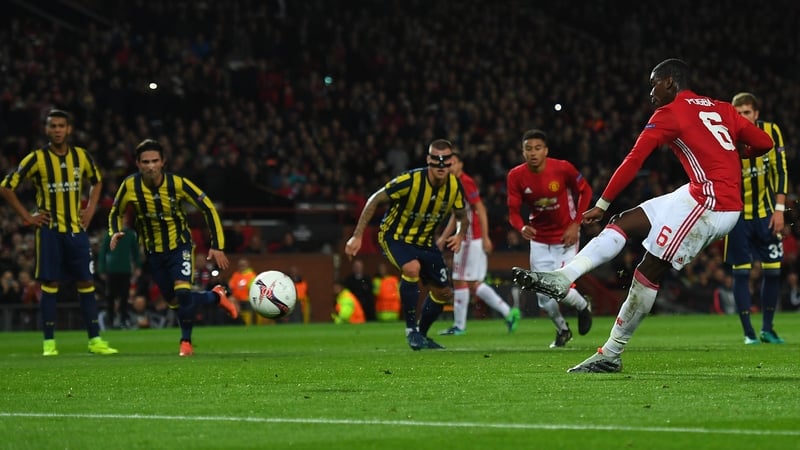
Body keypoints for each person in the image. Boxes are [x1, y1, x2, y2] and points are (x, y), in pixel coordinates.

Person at [512, 58, 774, 372]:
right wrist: (736, 154)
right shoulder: (722, 108)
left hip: (711, 202)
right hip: (696, 192)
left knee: (649, 270)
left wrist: (603, 201)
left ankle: (611, 353)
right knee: (624, 222)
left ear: (670, 83)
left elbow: (634, 160)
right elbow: (764, 142)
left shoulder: (670, 113)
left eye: (654, 83)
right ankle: (563, 277)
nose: (651, 91)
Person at [0, 109, 118, 356]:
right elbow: (6, 187)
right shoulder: (36, 159)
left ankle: (95, 340)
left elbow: (97, 180)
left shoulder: (81, 156)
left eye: (61, 125)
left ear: (69, 129)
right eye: (52, 125)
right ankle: (49, 343)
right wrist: (27, 217)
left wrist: (90, 208)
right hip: (50, 231)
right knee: (50, 283)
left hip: (76, 230)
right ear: (46, 129)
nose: (57, 130)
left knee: (86, 281)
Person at [107, 139, 238, 356]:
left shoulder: (177, 183)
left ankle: (185, 342)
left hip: (180, 246)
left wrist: (217, 245)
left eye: (155, 161)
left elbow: (208, 207)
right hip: (153, 252)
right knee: (174, 301)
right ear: (138, 164)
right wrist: (114, 231)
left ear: (163, 162)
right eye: (146, 162)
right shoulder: (130, 185)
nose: (151, 166)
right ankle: (215, 296)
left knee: (183, 293)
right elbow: (115, 211)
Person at [345, 138, 468, 350]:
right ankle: (411, 330)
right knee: (412, 267)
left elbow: (461, 215)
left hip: (425, 242)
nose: (440, 164)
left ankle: (421, 335)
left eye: (445, 160)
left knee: (444, 293)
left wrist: (459, 234)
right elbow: (375, 199)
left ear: (451, 162)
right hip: (395, 236)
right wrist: (357, 235)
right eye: (436, 160)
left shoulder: (455, 186)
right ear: (427, 159)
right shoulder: (410, 181)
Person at [506, 129, 593, 347]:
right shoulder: (516, 176)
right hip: (539, 240)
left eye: (537, 148)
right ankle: (562, 330)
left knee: (560, 288)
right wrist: (521, 226)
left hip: (566, 237)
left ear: (546, 150)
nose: (533, 153)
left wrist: (576, 224)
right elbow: (513, 212)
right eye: (528, 149)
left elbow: (586, 191)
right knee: (543, 297)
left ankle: (583, 307)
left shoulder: (563, 168)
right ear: (523, 152)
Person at [724, 92, 789, 344]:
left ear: (756, 113)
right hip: (737, 216)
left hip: (767, 214)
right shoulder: (726, 136)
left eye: (747, 112)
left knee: (773, 272)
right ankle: (749, 334)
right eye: (738, 113)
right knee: (741, 273)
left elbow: (781, 170)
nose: (742, 117)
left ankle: (767, 329)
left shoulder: (772, 131)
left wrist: (780, 210)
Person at [438, 151, 521, 336]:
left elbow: (481, 209)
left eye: (452, 163)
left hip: (469, 239)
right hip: (468, 238)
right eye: (447, 164)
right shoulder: (453, 184)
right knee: (474, 284)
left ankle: (459, 326)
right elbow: (456, 214)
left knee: (459, 279)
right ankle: (509, 313)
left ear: (460, 164)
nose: (449, 167)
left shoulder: (464, 182)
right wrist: (444, 237)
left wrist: (485, 237)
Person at [97, 216, 141, 329]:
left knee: (124, 296)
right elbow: (103, 252)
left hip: (125, 269)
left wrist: (138, 266)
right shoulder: (110, 234)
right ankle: (110, 320)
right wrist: (102, 269)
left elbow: (136, 252)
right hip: (112, 269)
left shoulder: (130, 234)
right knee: (110, 296)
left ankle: (123, 319)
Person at [229, 258, 257, 325]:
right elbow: (231, 287)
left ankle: (245, 323)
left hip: (247, 299)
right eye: (240, 265)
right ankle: (236, 321)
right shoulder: (235, 275)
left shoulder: (252, 275)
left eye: (243, 265)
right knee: (230, 301)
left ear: (248, 265)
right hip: (236, 300)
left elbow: (253, 289)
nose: (241, 266)